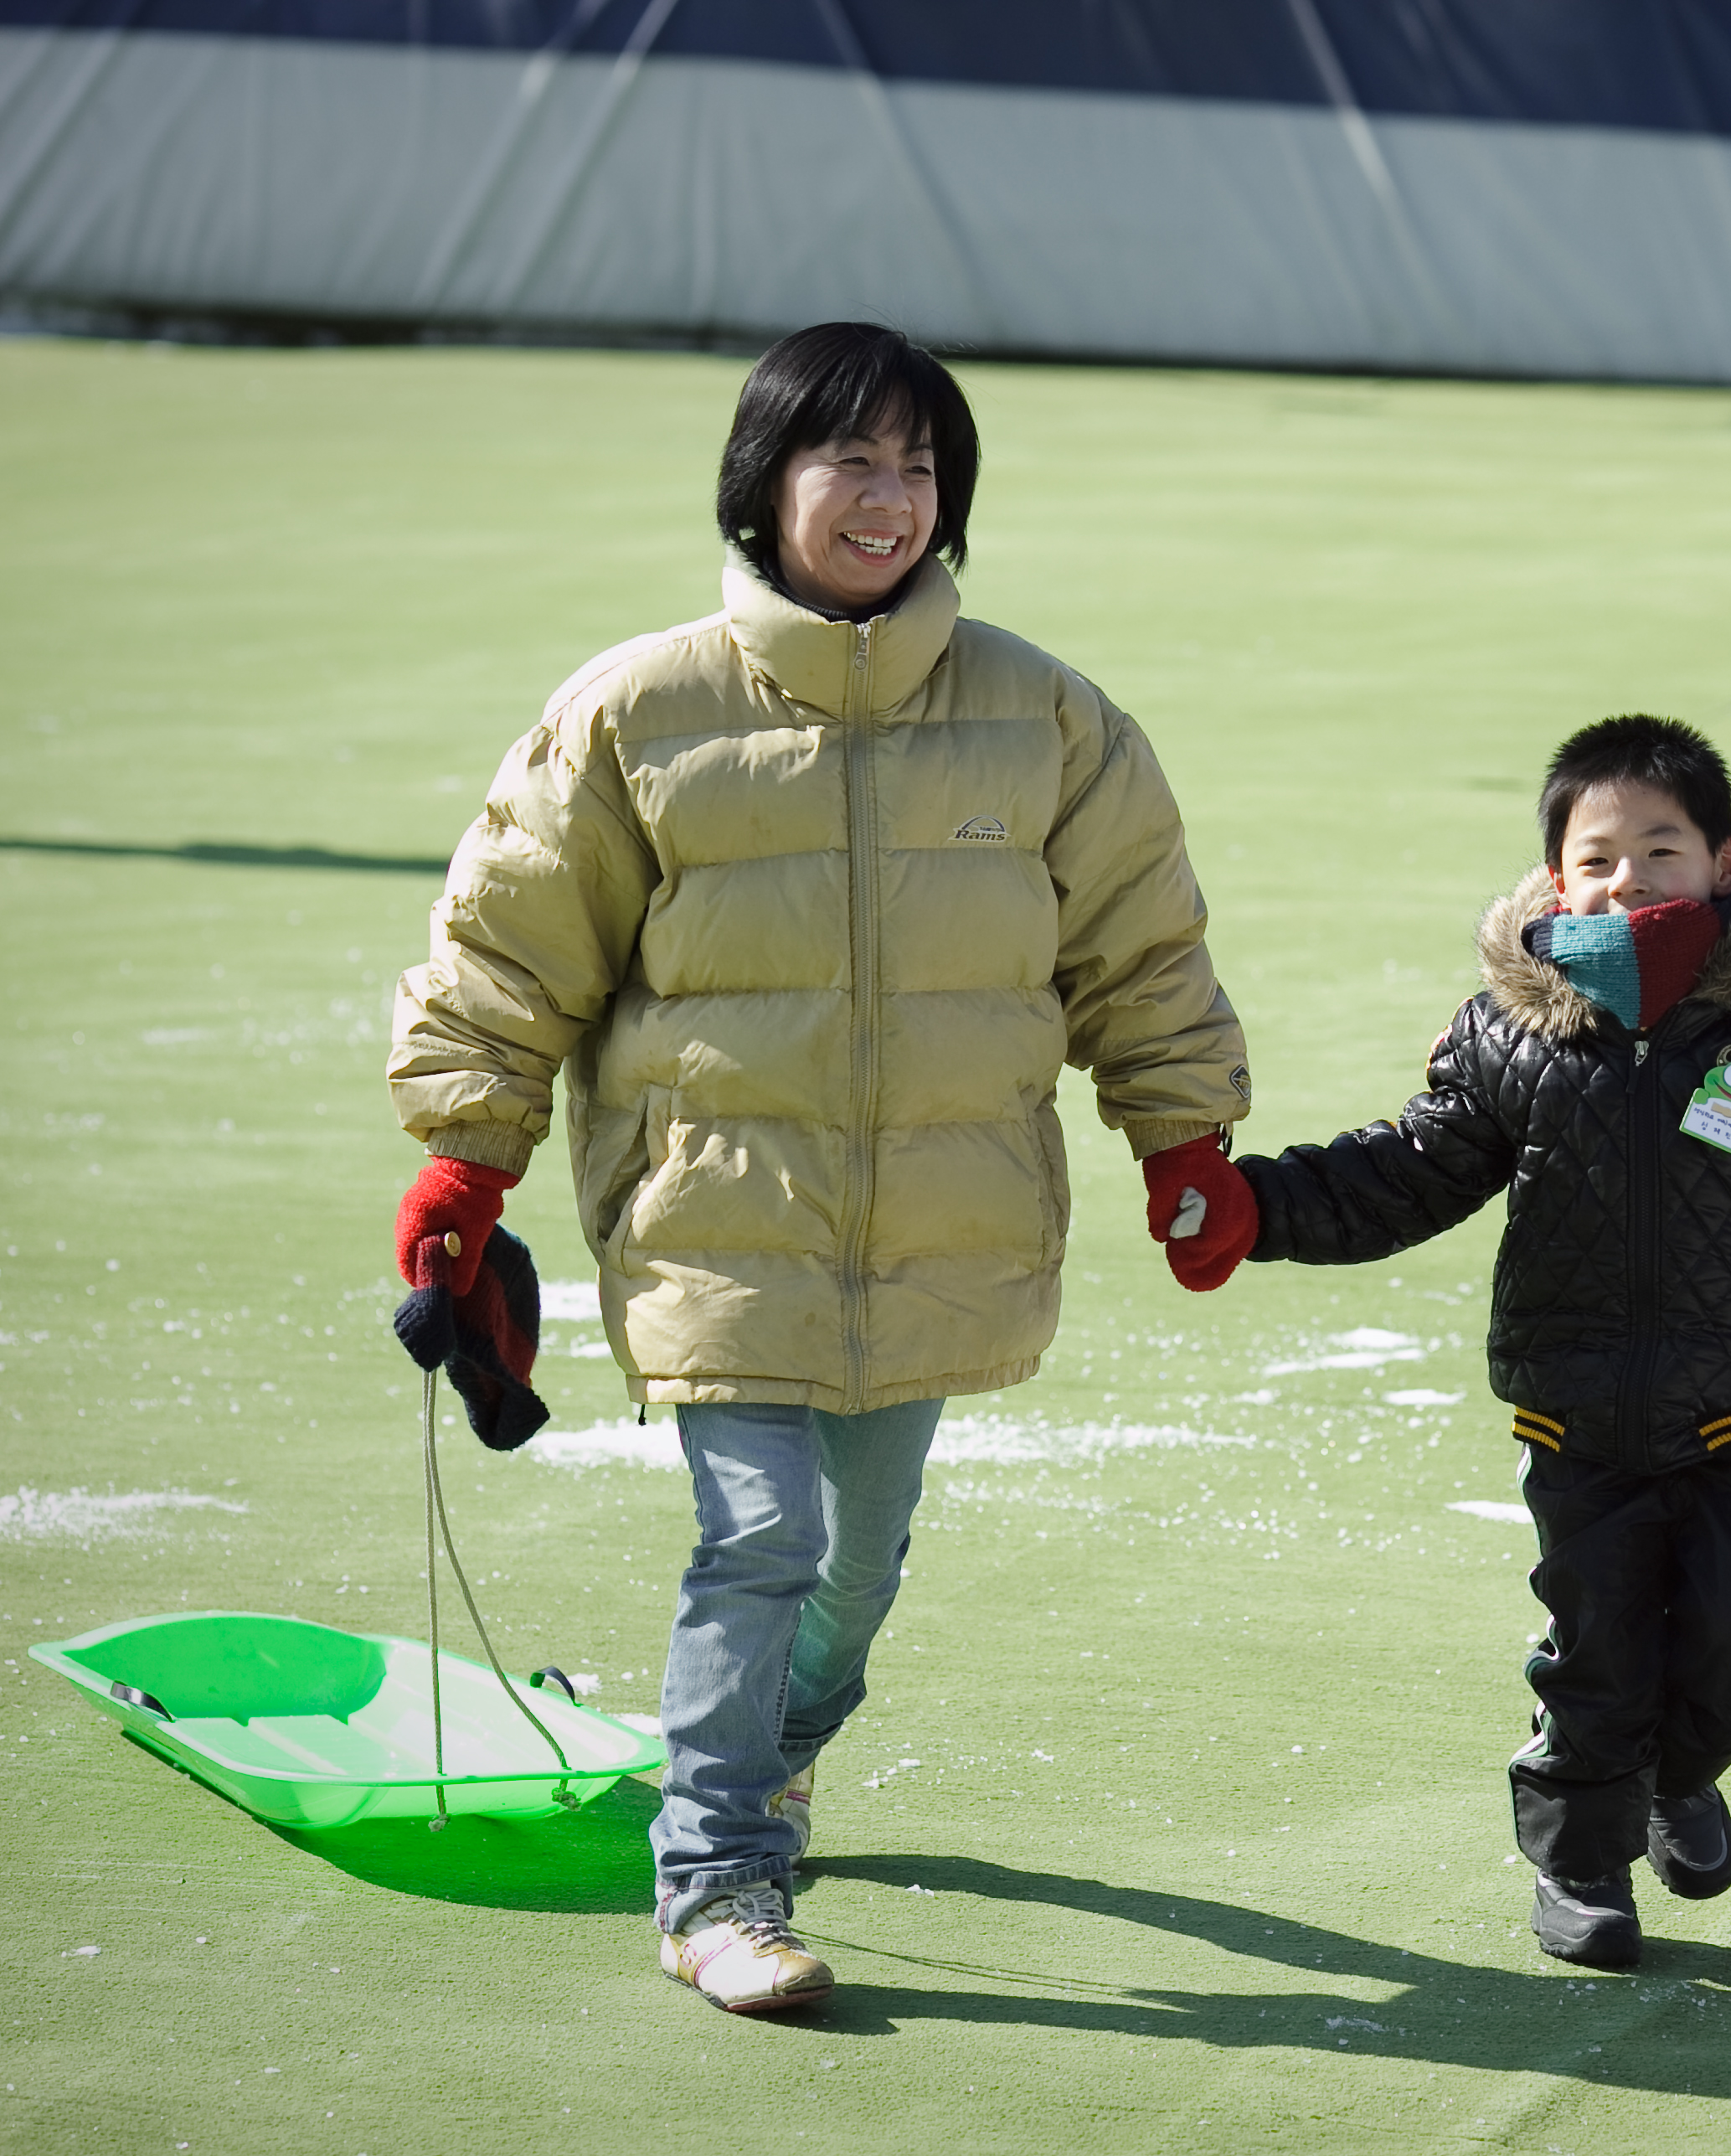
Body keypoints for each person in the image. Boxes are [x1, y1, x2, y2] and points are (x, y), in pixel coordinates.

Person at [386, 322, 1258, 2012]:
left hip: (945, 1212)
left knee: (861, 1566)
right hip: (717, 1207)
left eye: (917, 466)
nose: (884, 497)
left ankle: (772, 1746)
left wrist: (1185, 1139)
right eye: (847, 460)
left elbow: (1141, 949)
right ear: (764, 480)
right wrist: (463, 1165)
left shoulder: (1045, 716)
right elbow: (511, 947)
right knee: (764, 1539)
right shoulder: (641, 710)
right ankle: (716, 1882)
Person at [1187, 714, 1731, 1968]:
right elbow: (1410, 1168)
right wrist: (1257, 1207)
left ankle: (1681, 1771)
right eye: (1597, 855)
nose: (1629, 879)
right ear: (1556, 877)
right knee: (1596, 1647)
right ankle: (1582, 1862)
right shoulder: (1515, 1029)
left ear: (1722, 860)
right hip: (1578, 1405)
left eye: (1661, 849)